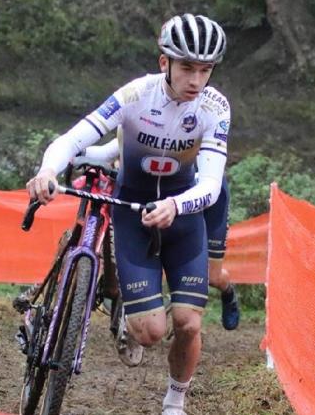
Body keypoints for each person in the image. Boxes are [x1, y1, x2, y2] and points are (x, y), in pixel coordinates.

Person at [27, 13, 229, 415]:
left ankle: (175, 401)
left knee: (188, 322)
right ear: (164, 63)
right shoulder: (136, 95)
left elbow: (210, 184)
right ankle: (128, 315)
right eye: (187, 67)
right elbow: (75, 136)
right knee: (151, 333)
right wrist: (47, 170)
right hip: (131, 209)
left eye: (205, 70)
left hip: (183, 213)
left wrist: (176, 205)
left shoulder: (215, 107)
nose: (196, 80)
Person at [81, 139, 240, 330]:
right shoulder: (148, 127)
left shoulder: (200, 127)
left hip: (210, 198)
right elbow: (112, 147)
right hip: (163, 203)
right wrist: (75, 149)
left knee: (212, 277)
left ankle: (227, 290)